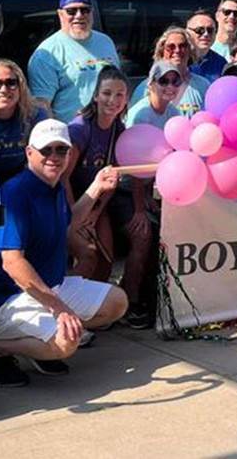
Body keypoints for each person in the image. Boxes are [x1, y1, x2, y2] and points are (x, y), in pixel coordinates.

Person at [0, 120, 128, 385]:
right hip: (7, 299)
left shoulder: (54, 186)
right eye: (46, 150)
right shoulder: (14, 193)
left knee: (117, 302)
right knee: (67, 344)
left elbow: (70, 220)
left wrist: (96, 187)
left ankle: (38, 342)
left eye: (61, 150)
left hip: (50, 288)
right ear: (29, 153)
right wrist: (60, 310)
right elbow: (12, 263)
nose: (54, 157)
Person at [66, 67, 156, 329]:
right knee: (88, 253)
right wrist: (77, 217)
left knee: (106, 258)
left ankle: (120, 306)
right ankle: (66, 313)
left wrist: (95, 214)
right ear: (95, 96)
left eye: (119, 95)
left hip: (98, 202)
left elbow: (111, 182)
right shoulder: (80, 129)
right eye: (106, 93)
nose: (112, 100)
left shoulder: (120, 129)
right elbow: (63, 178)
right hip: (69, 202)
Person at [28, 0, 121, 123]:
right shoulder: (47, 53)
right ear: (60, 14)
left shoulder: (105, 42)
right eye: (71, 11)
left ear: (92, 13)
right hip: (71, 135)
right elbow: (42, 105)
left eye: (85, 10)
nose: (79, 16)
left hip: (109, 131)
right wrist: (59, 138)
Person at [130, 27, 210, 116]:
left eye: (182, 46)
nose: (177, 50)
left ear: (190, 51)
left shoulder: (203, 85)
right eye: (171, 47)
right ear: (162, 52)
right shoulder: (146, 87)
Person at [127, 61, 185, 127]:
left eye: (175, 81)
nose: (170, 86)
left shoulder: (173, 111)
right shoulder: (140, 115)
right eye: (163, 81)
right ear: (151, 84)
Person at [186, 9, 227, 83]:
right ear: (187, 32)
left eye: (210, 30)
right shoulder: (178, 58)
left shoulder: (221, 63)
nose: (206, 34)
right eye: (199, 30)